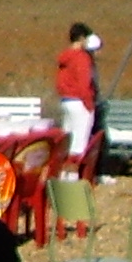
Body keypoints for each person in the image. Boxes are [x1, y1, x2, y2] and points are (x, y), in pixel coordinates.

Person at [54, 23, 102, 167]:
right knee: (79, 142)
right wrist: (89, 105)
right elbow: (84, 84)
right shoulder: (82, 58)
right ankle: (73, 174)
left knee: (67, 139)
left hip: (66, 100)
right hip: (80, 102)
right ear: (81, 38)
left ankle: (63, 172)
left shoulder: (65, 57)